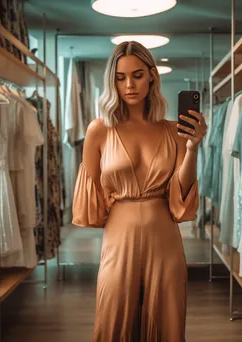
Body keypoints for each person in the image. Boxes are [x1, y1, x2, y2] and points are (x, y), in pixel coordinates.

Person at [72, 41, 207, 342]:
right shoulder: (99, 130)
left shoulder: (174, 130)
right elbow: (91, 201)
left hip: (165, 238)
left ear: (152, 76)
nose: (129, 84)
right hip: (119, 237)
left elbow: (181, 193)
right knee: (113, 318)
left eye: (137, 75)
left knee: (167, 320)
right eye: (120, 77)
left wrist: (193, 147)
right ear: (112, 81)